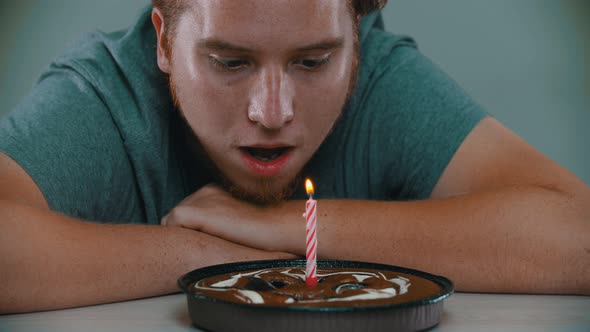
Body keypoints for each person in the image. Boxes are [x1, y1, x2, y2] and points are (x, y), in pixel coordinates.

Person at [0, 0, 588, 314]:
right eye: (230, 63)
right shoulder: (107, 98)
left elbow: (577, 236)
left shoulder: (380, 82)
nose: (273, 112)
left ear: (356, 42)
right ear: (162, 41)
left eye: (312, 62)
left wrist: (282, 224)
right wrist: (213, 255)